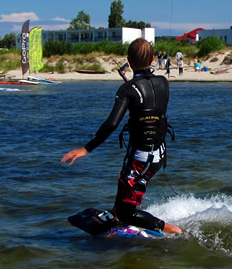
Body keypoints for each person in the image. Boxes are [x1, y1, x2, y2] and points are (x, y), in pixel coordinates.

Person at [61, 38, 182, 235]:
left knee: (127, 213)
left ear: (128, 61)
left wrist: (86, 149)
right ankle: (117, 215)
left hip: (141, 158)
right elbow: (148, 104)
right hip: (158, 154)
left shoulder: (127, 89)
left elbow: (112, 123)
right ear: (153, 59)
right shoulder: (163, 82)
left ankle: (170, 229)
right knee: (123, 189)